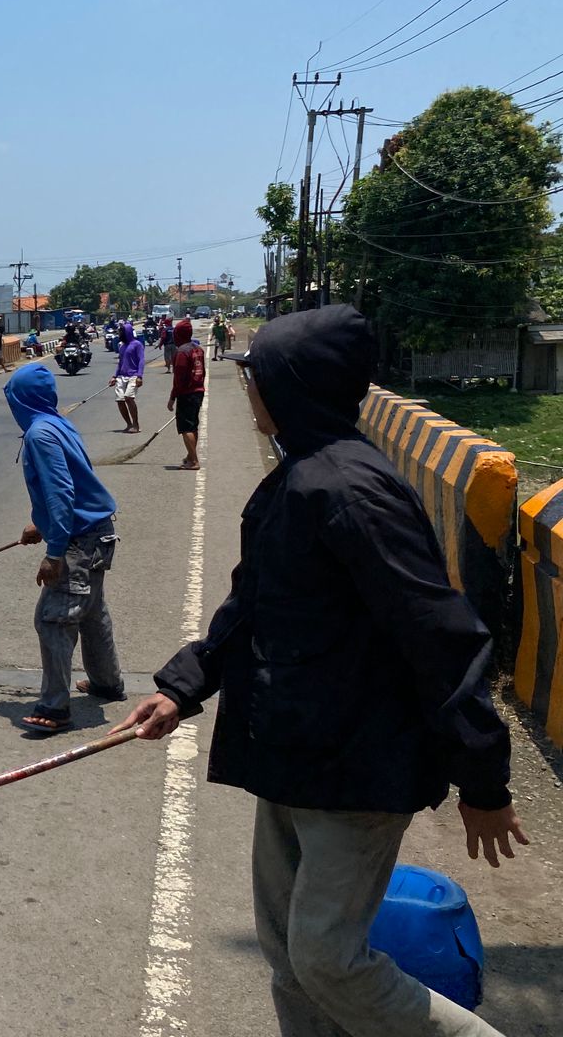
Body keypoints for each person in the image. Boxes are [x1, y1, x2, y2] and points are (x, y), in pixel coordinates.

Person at [116, 305, 525, 1037]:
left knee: (329, 958)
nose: (249, 389)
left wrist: (484, 779)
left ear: (294, 386)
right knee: (287, 956)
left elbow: (443, 637)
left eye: (260, 376)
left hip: (359, 765)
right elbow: (253, 608)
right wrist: (183, 686)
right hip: (291, 751)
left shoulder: (351, 492)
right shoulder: (295, 481)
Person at [4, 364, 127, 735]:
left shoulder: (40, 434)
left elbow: (61, 493)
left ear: (21, 400)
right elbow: (74, 481)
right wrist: (40, 525)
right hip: (95, 532)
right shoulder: (56, 423)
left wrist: (54, 552)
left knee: (54, 618)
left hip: (79, 539)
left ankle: (55, 708)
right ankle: (107, 683)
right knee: (90, 612)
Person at [167, 319, 205, 470]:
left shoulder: (182, 352)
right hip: (198, 391)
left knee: (186, 428)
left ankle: (194, 461)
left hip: (186, 394)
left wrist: (172, 398)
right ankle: (190, 456)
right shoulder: (198, 349)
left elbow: (179, 378)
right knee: (193, 425)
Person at [110, 321, 144, 433]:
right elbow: (120, 363)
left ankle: (136, 424)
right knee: (120, 400)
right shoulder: (122, 346)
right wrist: (115, 376)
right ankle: (128, 424)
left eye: (121, 332)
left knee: (129, 397)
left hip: (133, 375)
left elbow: (141, 361)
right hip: (121, 376)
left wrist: (139, 376)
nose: (119, 334)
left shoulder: (137, 344)